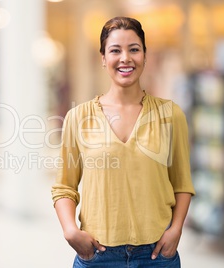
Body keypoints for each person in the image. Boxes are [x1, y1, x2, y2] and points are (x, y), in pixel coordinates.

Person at [51, 16, 195, 267]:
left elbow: (182, 183)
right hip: (98, 255)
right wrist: (70, 231)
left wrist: (176, 231)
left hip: (156, 256)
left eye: (134, 49)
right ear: (103, 59)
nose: (125, 58)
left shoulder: (170, 115)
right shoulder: (79, 117)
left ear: (145, 56)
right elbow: (65, 187)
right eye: (115, 50)